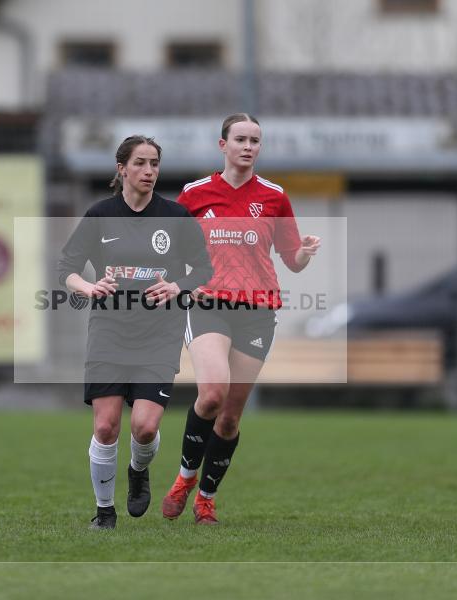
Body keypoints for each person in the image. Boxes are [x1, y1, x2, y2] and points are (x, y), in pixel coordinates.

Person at [161, 114, 321, 525]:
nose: (248, 147)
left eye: (255, 141)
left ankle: (206, 499)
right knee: (212, 394)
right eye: (241, 139)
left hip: (257, 310)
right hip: (208, 303)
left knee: (230, 417)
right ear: (223, 145)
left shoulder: (274, 196)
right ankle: (183, 479)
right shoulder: (195, 193)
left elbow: (292, 261)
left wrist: (304, 252)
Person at [57, 135, 212, 530]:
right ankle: (104, 512)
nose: (149, 171)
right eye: (140, 163)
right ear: (121, 168)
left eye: (155, 164)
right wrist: (89, 287)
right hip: (109, 330)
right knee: (106, 426)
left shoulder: (176, 218)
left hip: (159, 334)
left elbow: (204, 270)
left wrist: (178, 287)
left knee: (144, 427)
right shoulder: (100, 214)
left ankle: (138, 469)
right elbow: (67, 269)